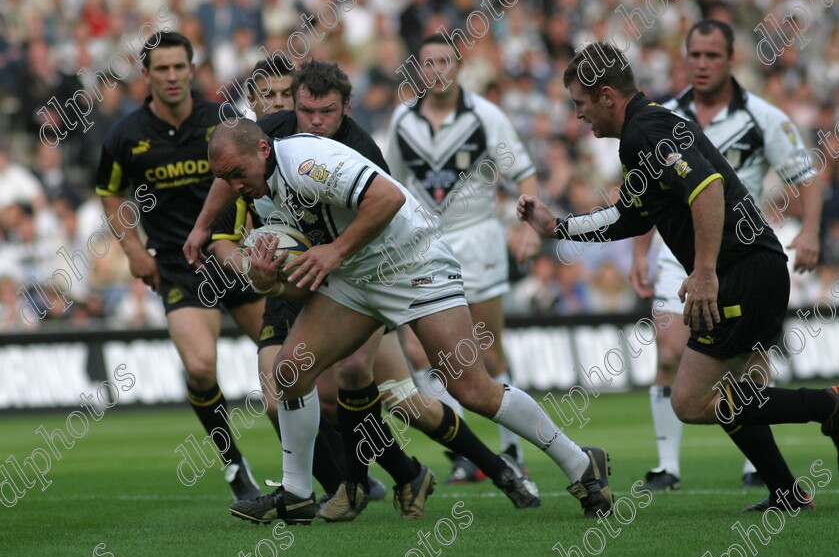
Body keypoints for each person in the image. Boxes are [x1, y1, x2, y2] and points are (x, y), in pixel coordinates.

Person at [206, 118, 613, 525]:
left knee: (472, 390)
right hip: (356, 276)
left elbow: (386, 198)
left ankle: (580, 464)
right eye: (226, 179)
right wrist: (271, 285)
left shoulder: (306, 161)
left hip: (412, 261)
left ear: (262, 150)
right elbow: (304, 279)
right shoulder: (262, 197)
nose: (235, 186)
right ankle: (296, 494)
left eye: (237, 173)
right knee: (291, 371)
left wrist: (334, 252)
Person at [186, 59, 541, 522]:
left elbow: (383, 212)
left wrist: (333, 256)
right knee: (286, 391)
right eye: (292, 105)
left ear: (345, 108)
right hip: (293, 281)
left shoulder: (357, 151)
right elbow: (224, 224)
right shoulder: (261, 149)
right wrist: (225, 247)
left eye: (325, 111)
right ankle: (347, 485)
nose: (312, 120)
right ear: (264, 109)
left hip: (359, 276)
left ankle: (491, 468)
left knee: (386, 390)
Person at [517, 41, 839, 513]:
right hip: (755, 266)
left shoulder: (643, 131)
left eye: (580, 104)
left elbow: (706, 189)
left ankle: (829, 405)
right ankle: (787, 493)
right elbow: (631, 217)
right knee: (739, 394)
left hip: (739, 270)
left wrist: (706, 272)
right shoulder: (647, 126)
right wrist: (556, 228)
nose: (578, 117)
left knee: (690, 401)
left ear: (607, 95)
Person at [628, 20, 823, 492]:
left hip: (737, 254)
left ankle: (762, 468)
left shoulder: (762, 116)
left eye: (712, 56)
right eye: (694, 54)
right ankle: (669, 465)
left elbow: (806, 174)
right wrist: (640, 250)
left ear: (730, 59)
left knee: (747, 364)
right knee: (671, 352)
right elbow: (644, 191)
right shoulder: (665, 115)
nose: (701, 64)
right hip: (678, 255)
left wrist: (811, 232)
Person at [94, 31, 265, 501]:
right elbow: (109, 193)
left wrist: (254, 224)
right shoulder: (125, 135)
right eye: (161, 69)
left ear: (192, 69)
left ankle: (339, 468)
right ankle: (235, 468)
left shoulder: (224, 121)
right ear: (146, 76)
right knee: (200, 366)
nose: (171, 76)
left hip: (238, 257)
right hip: (179, 267)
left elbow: (257, 173)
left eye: (179, 67)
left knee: (290, 363)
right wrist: (131, 248)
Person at [384, 35, 541, 482]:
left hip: (478, 239)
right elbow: (390, 181)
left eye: (445, 61)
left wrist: (529, 226)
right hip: (422, 242)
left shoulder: (485, 117)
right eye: (428, 62)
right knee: (418, 349)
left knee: (486, 350)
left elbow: (524, 173)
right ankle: (465, 453)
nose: (437, 70)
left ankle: (512, 448)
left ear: (459, 65)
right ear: (418, 69)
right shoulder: (401, 120)